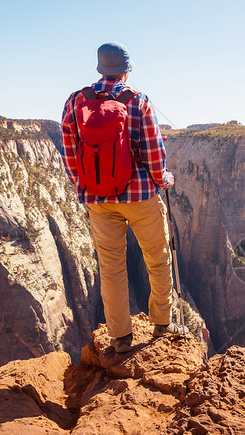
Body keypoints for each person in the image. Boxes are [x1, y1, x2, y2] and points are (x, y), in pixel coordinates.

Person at [60, 42, 184, 353]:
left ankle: (120, 337)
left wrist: (84, 188)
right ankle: (162, 324)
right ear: (126, 70)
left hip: (98, 199)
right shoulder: (137, 99)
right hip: (140, 195)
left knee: (112, 267)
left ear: (100, 68)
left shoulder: (76, 101)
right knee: (157, 257)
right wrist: (163, 179)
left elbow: (71, 153)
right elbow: (154, 152)